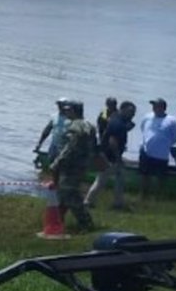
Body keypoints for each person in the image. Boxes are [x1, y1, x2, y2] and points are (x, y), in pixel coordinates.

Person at [47, 100, 97, 232]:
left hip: (71, 166)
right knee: (64, 194)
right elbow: (93, 147)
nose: (66, 112)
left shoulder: (75, 126)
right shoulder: (89, 125)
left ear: (74, 111)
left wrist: (56, 162)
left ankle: (85, 222)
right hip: (82, 165)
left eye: (68, 110)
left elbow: (70, 148)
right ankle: (58, 220)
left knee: (69, 194)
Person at [86, 100, 135, 211]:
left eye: (134, 113)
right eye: (130, 112)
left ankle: (118, 203)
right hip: (109, 157)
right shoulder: (117, 122)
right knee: (101, 181)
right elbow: (112, 142)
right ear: (122, 109)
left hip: (110, 156)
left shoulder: (116, 117)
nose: (132, 115)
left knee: (119, 179)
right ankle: (88, 201)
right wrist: (118, 159)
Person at [137, 98, 176, 199]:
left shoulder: (171, 121)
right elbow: (143, 129)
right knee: (144, 175)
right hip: (146, 152)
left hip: (161, 154)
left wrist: (165, 144)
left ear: (163, 108)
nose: (154, 108)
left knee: (160, 177)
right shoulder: (147, 117)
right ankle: (143, 196)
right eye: (153, 105)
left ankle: (159, 197)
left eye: (156, 106)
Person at [34, 99, 72, 170]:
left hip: (65, 146)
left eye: (62, 105)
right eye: (59, 105)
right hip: (54, 145)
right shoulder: (54, 116)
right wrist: (39, 144)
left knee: (62, 165)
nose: (60, 107)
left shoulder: (71, 118)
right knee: (51, 163)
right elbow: (47, 130)